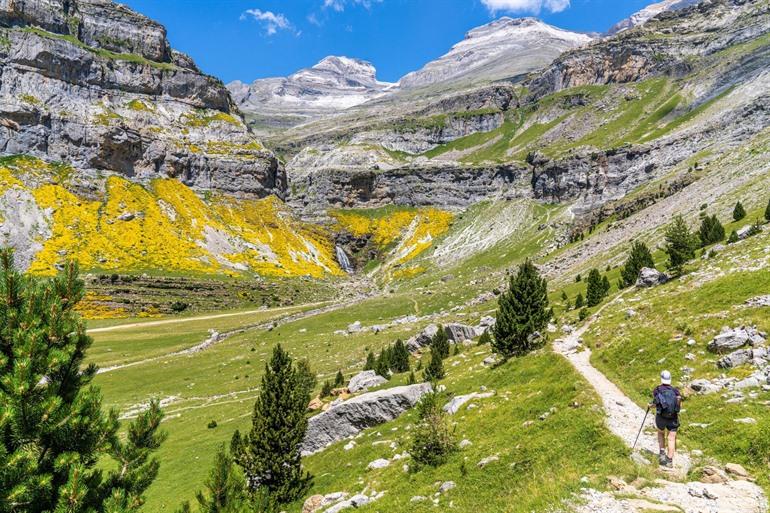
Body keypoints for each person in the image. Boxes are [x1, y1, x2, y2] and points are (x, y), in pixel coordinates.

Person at [650, 370, 681, 468]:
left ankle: (662, 455)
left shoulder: (657, 389)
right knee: (671, 439)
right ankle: (669, 461)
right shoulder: (675, 391)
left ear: (661, 378)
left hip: (661, 417)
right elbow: (679, 405)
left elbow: (656, 403)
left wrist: (650, 406)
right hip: (673, 418)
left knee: (661, 433)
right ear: (670, 379)